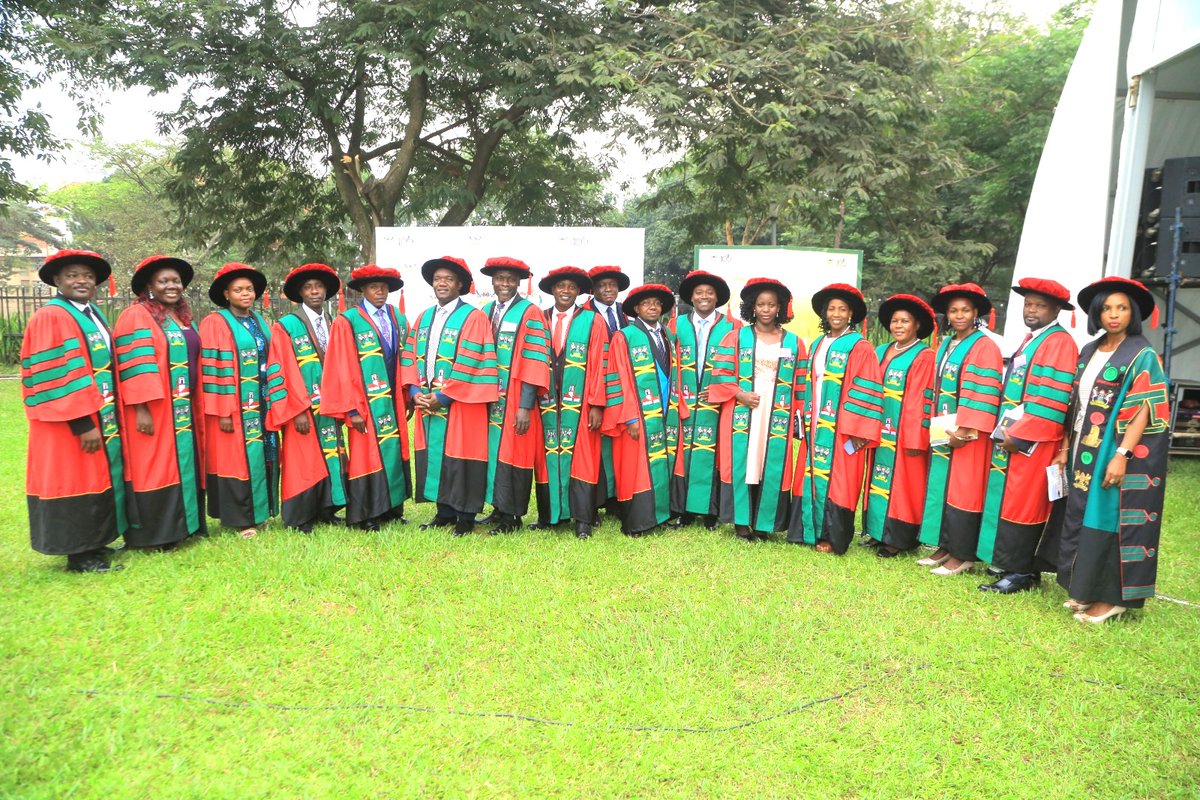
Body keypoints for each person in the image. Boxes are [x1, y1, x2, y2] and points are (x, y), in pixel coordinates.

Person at [1044, 277, 1169, 623]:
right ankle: (1084, 588)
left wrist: (1122, 455)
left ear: (1134, 313)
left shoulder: (1142, 355)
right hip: (1084, 448)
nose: (1113, 315)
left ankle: (1112, 598)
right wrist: (1065, 447)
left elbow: (1145, 408)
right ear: (1097, 314)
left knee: (1108, 518)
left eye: (1122, 308)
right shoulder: (1090, 350)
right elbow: (1076, 404)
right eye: (1107, 309)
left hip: (1112, 450)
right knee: (1082, 515)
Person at [21, 249, 127, 572]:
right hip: (68, 421)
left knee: (95, 478)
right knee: (75, 480)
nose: (82, 281)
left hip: (97, 414)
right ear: (56, 280)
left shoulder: (89, 312)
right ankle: (80, 555)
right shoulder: (52, 316)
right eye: (72, 275)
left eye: (88, 276)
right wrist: (83, 423)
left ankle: (95, 542)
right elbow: (59, 374)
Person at [976, 278, 1079, 593]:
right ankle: (1012, 563)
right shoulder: (1032, 339)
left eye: (1040, 305)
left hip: (1035, 440)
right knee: (1013, 500)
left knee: (1026, 504)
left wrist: (1019, 437)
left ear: (1057, 309)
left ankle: (1021, 572)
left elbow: (1052, 399)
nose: (1031, 310)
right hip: (1018, 435)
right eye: (1028, 304)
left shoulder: (1059, 342)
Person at [399, 256, 500, 536]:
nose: (441, 283)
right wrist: (416, 390)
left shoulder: (474, 317)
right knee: (437, 457)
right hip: (429, 401)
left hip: (462, 403)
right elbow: (409, 355)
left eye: (448, 279)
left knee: (463, 457)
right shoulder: (425, 316)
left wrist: (444, 396)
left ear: (460, 285)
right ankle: (444, 512)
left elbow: (472, 360)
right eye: (438, 279)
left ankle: (465, 517)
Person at [113, 254, 205, 549]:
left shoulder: (180, 317)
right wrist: (141, 408)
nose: (172, 285)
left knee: (182, 462)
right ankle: (155, 535)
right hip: (154, 407)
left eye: (176, 281)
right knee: (154, 467)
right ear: (149, 286)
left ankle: (186, 525)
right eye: (163, 281)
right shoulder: (137, 314)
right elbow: (134, 363)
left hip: (182, 405)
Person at [707, 278, 807, 540]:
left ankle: (764, 523)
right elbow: (720, 373)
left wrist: (798, 417)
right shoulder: (736, 337)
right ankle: (741, 523)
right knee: (744, 463)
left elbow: (800, 383)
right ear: (752, 307)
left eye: (771, 305)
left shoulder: (795, 343)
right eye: (760, 304)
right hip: (743, 408)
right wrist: (739, 394)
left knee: (769, 464)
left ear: (780, 308)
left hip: (777, 413)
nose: (766, 309)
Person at [789, 283, 882, 554]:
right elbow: (808, 383)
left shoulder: (861, 346)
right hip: (816, 422)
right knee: (809, 474)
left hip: (842, 428)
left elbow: (867, 387)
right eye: (831, 309)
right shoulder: (818, 343)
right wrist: (803, 417)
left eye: (842, 309)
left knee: (840, 479)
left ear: (851, 314)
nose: (836, 313)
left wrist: (856, 430)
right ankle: (807, 530)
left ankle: (832, 536)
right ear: (824, 314)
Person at [917, 283, 1003, 575]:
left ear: (976, 312)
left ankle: (963, 553)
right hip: (945, 429)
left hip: (969, 434)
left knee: (965, 492)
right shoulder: (947, 343)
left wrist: (965, 430)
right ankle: (945, 546)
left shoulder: (984, 345)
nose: (959, 315)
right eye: (953, 310)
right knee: (942, 487)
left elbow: (984, 391)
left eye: (965, 310)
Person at [320, 265, 411, 531]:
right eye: (374, 287)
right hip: (364, 402)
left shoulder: (397, 318)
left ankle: (392, 508)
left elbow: (406, 358)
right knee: (365, 455)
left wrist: (406, 395)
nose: (380, 291)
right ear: (362, 289)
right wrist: (351, 410)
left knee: (393, 451)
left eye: (384, 286)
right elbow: (340, 367)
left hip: (391, 400)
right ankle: (366, 514)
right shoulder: (346, 321)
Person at [601, 283, 689, 535]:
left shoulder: (668, 337)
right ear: (636, 308)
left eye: (657, 303)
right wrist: (629, 416)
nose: (652, 307)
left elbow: (676, 374)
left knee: (663, 462)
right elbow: (618, 378)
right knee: (636, 466)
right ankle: (638, 522)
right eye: (646, 303)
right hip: (637, 413)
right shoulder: (624, 336)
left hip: (664, 411)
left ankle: (661, 515)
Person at [266, 263, 348, 533]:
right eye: (308, 287)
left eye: (319, 286)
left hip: (329, 404)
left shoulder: (334, 322)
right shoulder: (286, 326)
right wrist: (297, 409)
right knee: (303, 459)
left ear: (326, 291)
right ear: (299, 293)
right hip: (302, 406)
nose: (314, 291)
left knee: (330, 454)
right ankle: (301, 516)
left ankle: (326, 508)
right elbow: (282, 368)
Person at [200, 262, 279, 538]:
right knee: (237, 460)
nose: (246, 294)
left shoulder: (259, 321)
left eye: (249, 289)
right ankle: (241, 519)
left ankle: (261, 512)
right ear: (226, 294)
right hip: (234, 406)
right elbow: (212, 368)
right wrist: (222, 410)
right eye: (238, 290)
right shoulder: (216, 322)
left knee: (264, 456)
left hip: (262, 403)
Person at [533, 266, 610, 538]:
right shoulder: (538, 319)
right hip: (545, 404)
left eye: (571, 287)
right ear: (552, 290)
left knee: (582, 459)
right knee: (546, 456)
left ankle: (583, 521)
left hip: (580, 404)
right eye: (561, 286)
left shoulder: (592, 321)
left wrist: (597, 403)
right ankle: (549, 516)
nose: (566, 291)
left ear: (578, 292)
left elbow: (601, 365)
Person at [478, 256, 550, 534]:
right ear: (493, 281)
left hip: (517, 399)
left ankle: (512, 517)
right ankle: (498, 508)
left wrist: (525, 405)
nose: (504, 283)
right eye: (500, 278)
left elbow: (535, 359)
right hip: (491, 399)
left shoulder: (529, 312)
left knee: (515, 454)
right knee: (495, 453)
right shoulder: (485, 311)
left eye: (510, 279)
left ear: (519, 282)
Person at [863, 294, 936, 557]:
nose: (898, 326)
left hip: (906, 434)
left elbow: (920, 399)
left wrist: (916, 438)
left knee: (905, 484)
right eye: (894, 321)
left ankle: (898, 538)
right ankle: (876, 531)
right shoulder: (880, 351)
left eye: (905, 321)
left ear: (917, 325)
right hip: (879, 429)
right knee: (877, 478)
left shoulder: (924, 355)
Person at [668, 269, 739, 529]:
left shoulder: (731, 327)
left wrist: (722, 391)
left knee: (713, 452)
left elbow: (739, 367)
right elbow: (667, 361)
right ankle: (684, 509)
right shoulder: (677, 324)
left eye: (709, 292)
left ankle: (711, 511)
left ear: (717, 297)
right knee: (683, 453)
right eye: (699, 293)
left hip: (716, 403)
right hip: (684, 399)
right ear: (692, 297)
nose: (704, 297)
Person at [584, 265, 630, 517]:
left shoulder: (627, 313)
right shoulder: (585, 315)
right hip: (594, 386)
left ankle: (615, 498)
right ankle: (596, 498)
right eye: (602, 285)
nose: (608, 289)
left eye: (612, 284)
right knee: (595, 444)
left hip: (621, 389)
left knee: (618, 441)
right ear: (592, 289)